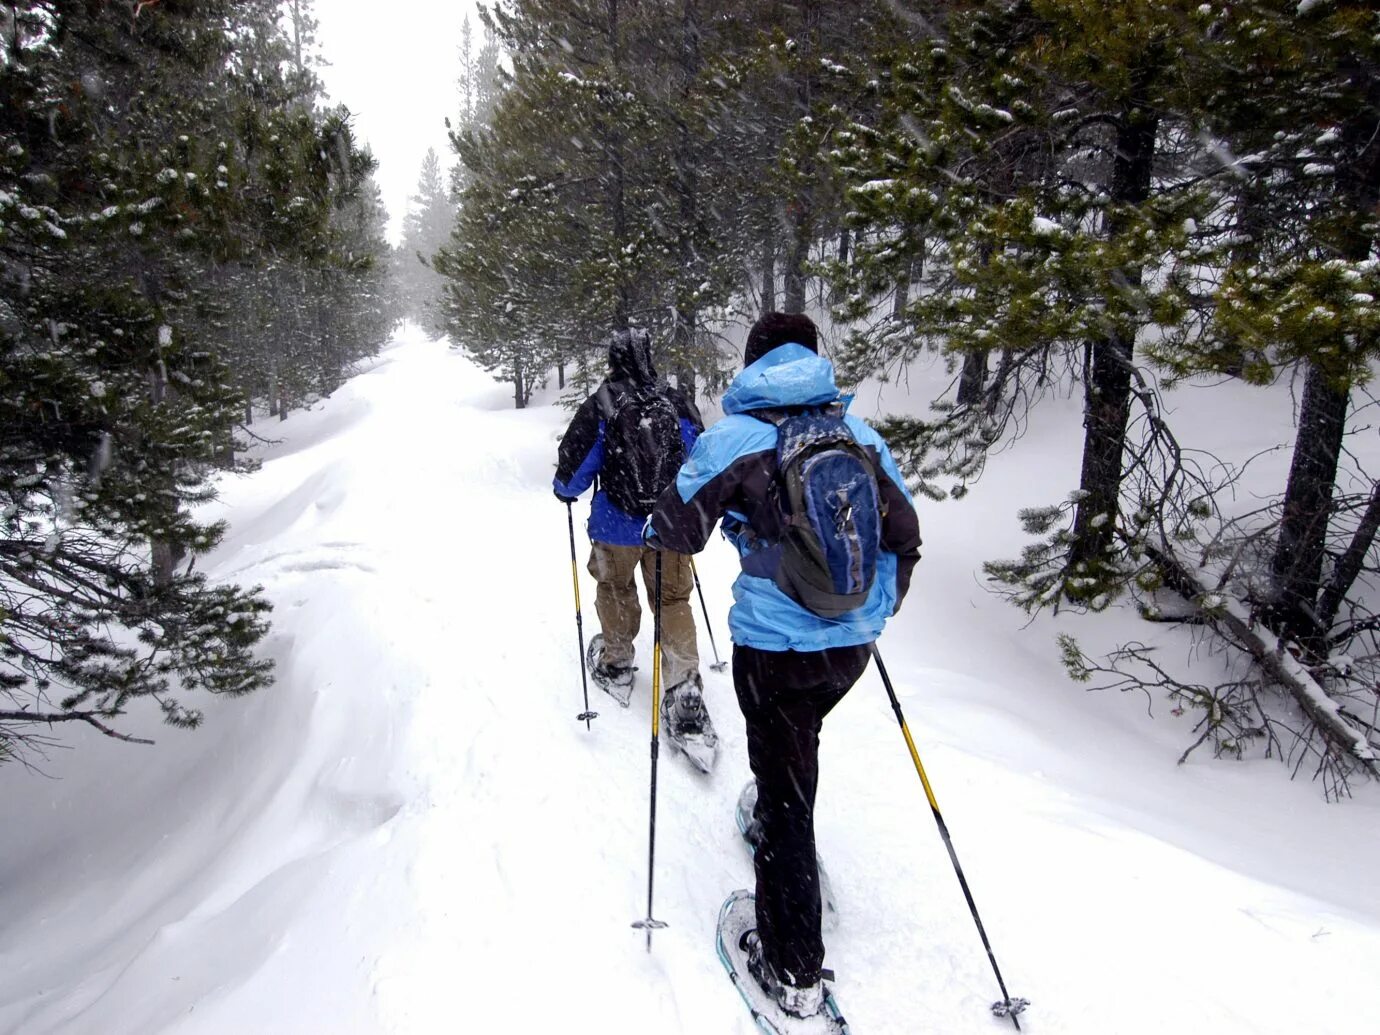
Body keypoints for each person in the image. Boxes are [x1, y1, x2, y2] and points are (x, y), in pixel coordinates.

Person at [647, 312, 921, 1018]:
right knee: (799, 746)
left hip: (776, 650)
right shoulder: (857, 434)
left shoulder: (737, 436)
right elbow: (905, 533)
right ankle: (782, 813)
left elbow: (676, 529)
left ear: (754, 362)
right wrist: (872, 610)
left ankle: (793, 969)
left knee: (785, 793)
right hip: (851, 650)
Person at [553, 328, 710, 733]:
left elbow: (573, 473)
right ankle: (684, 684)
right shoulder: (675, 402)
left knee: (615, 589)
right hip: (669, 525)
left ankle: (618, 661)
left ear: (613, 359)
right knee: (673, 600)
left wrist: (564, 490)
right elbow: (703, 459)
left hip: (615, 527)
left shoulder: (602, 405)